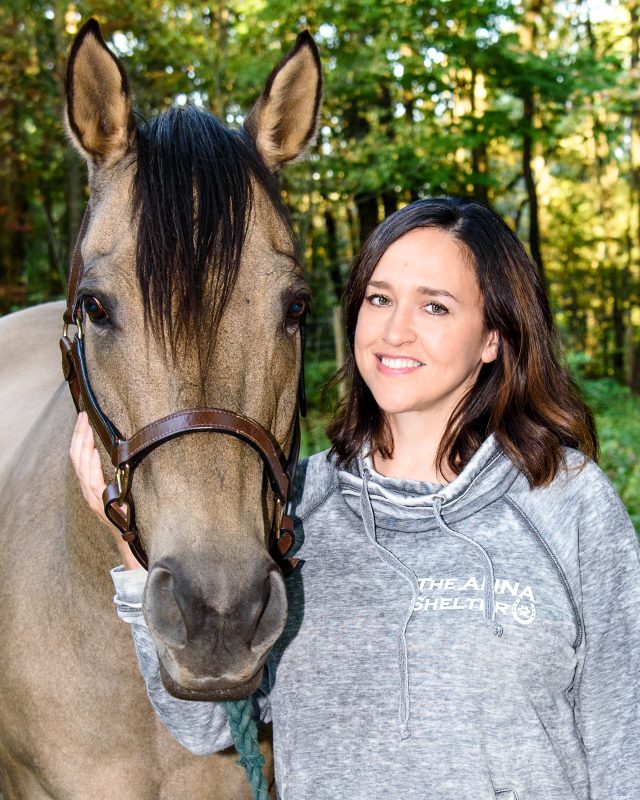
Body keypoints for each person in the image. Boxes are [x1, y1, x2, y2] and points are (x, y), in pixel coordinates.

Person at [71, 196, 640, 800]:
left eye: (435, 306)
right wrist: (130, 545)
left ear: (492, 337)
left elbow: (623, 736)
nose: (396, 330)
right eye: (380, 299)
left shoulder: (566, 502)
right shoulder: (294, 510)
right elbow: (207, 723)